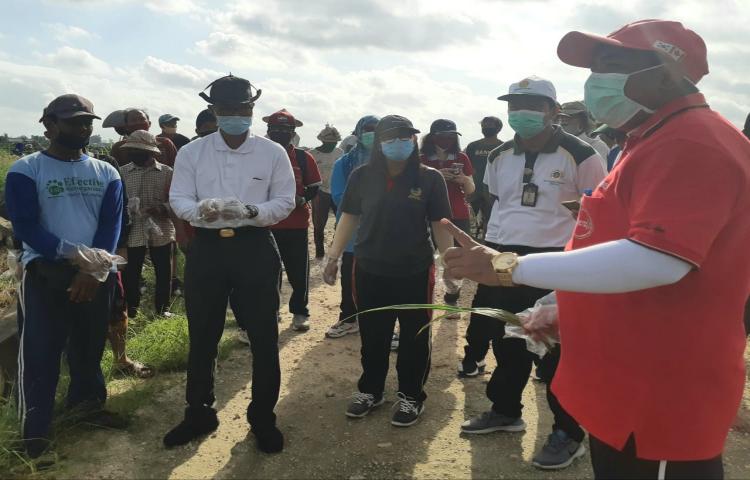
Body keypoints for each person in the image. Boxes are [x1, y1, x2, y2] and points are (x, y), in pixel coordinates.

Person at [445, 19, 750, 479]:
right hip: (626, 378)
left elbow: (659, 260)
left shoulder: (692, 142)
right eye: (593, 66)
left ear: (666, 72)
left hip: (659, 391)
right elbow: (614, 242)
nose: (594, 79)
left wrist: (510, 267)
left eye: (612, 64)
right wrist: (559, 302)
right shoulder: (650, 139)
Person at [457, 76, 606, 471]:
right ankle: (505, 411)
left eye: (533, 105)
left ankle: (568, 433)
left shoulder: (582, 154)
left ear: (553, 110)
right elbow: (498, 207)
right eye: (515, 105)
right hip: (504, 259)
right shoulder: (499, 155)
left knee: (556, 353)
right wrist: (488, 256)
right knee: (505, 340)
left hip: (557, 262)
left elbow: (598, 218)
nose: (520, 113)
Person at [166, 74, 296, 453]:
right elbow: (179, 198)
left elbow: (284, 202)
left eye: (243, 109)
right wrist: (199, 211)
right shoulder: (193, 152)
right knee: (203, 334)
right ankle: (199, 413)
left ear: (252, 110)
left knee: (264, 337)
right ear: (215, 111)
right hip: (207, 249)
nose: (236, 115)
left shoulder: (272, 152)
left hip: (254, 247)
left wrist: (251, 210)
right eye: (227, 110)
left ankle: (262, 418)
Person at [5, 94, 127, 457]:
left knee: (88, 348)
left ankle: (87, 409)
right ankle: (34, 436)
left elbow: (111, 225)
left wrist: (94, 267)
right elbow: (25, 225)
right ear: (50, 124)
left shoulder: (106, 172)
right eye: (74, 121)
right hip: (47, 274)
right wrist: (70, 254)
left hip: (94, 275)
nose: (84, 127)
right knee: (40, 352)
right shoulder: (26, 170)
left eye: (88, 121)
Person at [323, 115, 453, 426]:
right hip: (369, 267)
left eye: (405, 137)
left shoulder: (430, 178)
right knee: (373, 334)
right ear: (380, 143)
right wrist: (333, 255)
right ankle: (371, 390)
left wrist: (449, 262)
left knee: (414, 336)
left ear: (413, 141)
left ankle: (411, 396)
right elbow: (350, 217)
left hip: (415, 269)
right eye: (392, 138)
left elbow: (439, 224)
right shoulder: (362, 175)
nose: (399, 143)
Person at [263, 109, 322, 332]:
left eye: (284, 129)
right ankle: (272, 310)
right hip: (266, 224)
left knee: (298, 270)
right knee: (268, 270)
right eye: (275, 129)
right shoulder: (260, 155)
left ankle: (300, 312)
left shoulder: (302, 157)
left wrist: (302, 197)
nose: (279, 133)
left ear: (293, 132)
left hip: (295, 224)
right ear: (268, 131)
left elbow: (315, 187)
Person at [324, 115, 379, 339]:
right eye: (367, 129)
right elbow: (338, 195)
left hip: (381, 232)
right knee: (350, 278)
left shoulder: (390, 164)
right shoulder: (344, 163)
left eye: (376, 130)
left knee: (380, 280)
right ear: (358, 132)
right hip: (351, 231)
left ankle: (381, 322)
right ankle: (348, 318)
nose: (371, 134)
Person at [419, 119, 474, 314]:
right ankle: (422, 299)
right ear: (433, 137)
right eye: (443, 136)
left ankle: (451, 300)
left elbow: (470, 189)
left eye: (452, 137)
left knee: (456, 259)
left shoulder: (461, 158)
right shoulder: (421, 158)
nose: (448, 140)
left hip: (457, 214)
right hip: (427, 215)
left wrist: (463, 179)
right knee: (425, 259)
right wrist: (435, 176)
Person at [120, 130, 176, 317]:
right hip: (133, 227)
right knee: (132, 271)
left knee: (163, 270)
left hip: (161, 228)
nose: (134, 154)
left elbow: (176, 200)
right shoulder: (123, 172)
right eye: (132, 150)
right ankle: (132, 310)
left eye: (139, 150)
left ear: (151, 152)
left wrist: (161, 208)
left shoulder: (166, 173)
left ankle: (163, 309)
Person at [464, 116, 503, 240]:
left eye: (489, 125)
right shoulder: (473, 146)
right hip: (473, 190)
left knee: (491, 221)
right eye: (484, 125)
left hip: (492, 191)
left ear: (498, 128)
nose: (486, 127)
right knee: (468, 221)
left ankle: (487, 244)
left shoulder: (502, 147)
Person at [309, 124, 344, 259]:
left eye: (334, 143)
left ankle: (335, 245)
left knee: (340, 220)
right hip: (320, 191)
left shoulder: (339, 153)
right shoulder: (313, 154)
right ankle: (319, 251)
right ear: (322, 141)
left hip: (337, 190)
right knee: (319, 223)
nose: (332, 145)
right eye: (329, 143)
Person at [109, 109, 178, 168]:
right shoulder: (118, 147)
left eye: (142, 119)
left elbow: (176, 168)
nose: (138, 122)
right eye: (133, 120)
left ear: (149, 124)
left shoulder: (165, 143)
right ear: (126, 126)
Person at [557, 101, 610, 165]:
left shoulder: (597, 146)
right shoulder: (556, 145)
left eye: (569, 116)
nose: (563, 120)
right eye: (561, 116)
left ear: (583, 120)